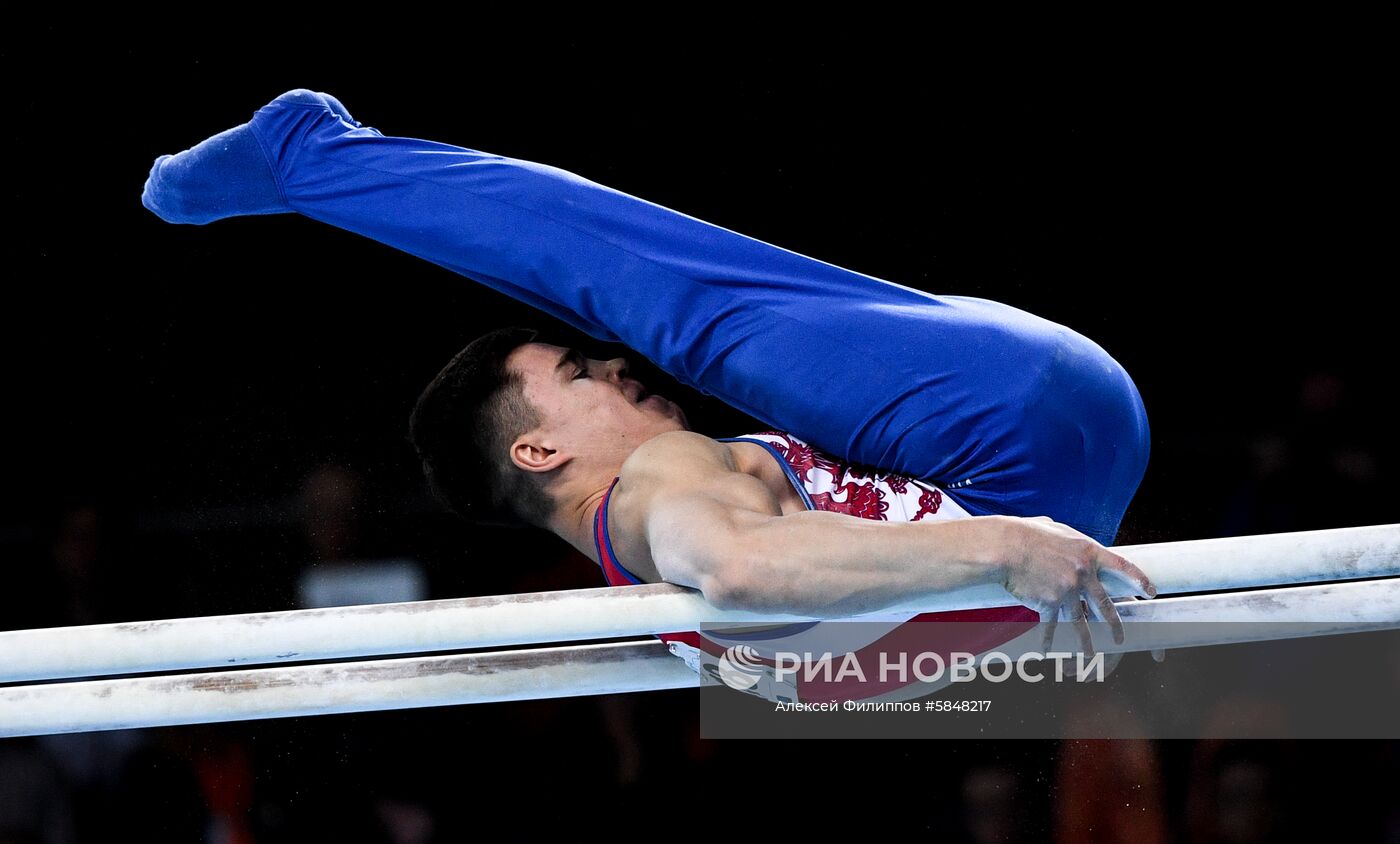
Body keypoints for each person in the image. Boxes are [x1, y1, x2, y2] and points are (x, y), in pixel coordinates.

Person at [142, 90, 1156, 698]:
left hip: (1051, 485)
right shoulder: (655, 482)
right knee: (661, 298)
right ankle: (304, 151)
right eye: (577, 378)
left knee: (651, 306)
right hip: (1013, 445)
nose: (618, 374)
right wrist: (1005, 543)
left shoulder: (653, 598)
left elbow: (806, 632)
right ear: (536, 453)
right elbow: (745, 565)